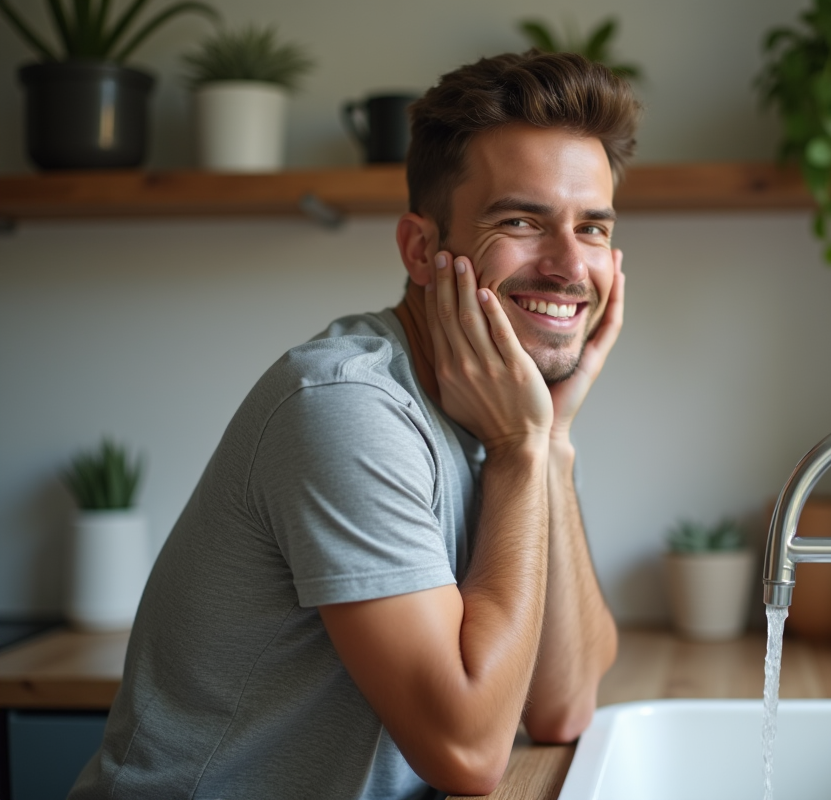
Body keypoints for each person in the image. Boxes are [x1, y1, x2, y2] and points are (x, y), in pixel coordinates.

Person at [69, 50, 640, 800]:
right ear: (420, 248)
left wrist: (551, 444)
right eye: (523, 220)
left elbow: (562, 705)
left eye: (593, 229)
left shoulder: (507, 414)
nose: (570, 265)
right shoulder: (344, 408)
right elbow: (468, 755)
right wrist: (521, 449)